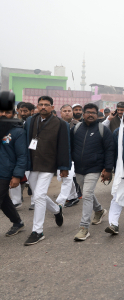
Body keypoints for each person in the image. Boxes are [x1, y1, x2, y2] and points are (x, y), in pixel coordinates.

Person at [23, 96, 68, 246]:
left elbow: (63, 146)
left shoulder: (60, 124)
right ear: (37, 106)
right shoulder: (30, 120)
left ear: (52, 107)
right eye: (41, 104)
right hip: (32, 163)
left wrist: (64, 167)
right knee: (37, 195)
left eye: (46, 105)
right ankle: (56, 210)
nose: (43, 107)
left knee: (39, 196)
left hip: (49, 164)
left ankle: (38, 231)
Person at [71, 103, 114, 241]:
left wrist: (108, 169)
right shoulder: (76, 128)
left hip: (94, 168)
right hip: (79, 168)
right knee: (87, 193)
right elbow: (70, 147)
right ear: (83, 114)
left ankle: (84, 228)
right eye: (88, 112)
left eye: (93, 113)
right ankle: (99, 210)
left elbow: (109, 150)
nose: (90, 115)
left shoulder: (103, 130)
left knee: (87, 194)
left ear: (97, 115)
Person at [0, 107, 26, 237]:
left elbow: (22, 155)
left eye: (7, 112)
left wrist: (17, 175)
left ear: (13, 114)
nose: (3, 114)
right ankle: (17, 222)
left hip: (5, 172)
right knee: (4, 200)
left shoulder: (18, 132)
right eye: (1, 111)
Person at [57, 104, 80, 208]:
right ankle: (74, 196)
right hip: (60, 156)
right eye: (65, 110)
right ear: (61, 112)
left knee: (67, 178)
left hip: (74, 156)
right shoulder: (56, 124)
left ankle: (60, 202)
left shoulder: (79, 125)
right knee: (64, 178)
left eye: (69, 111)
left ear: (72, 112)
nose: (67, 112)